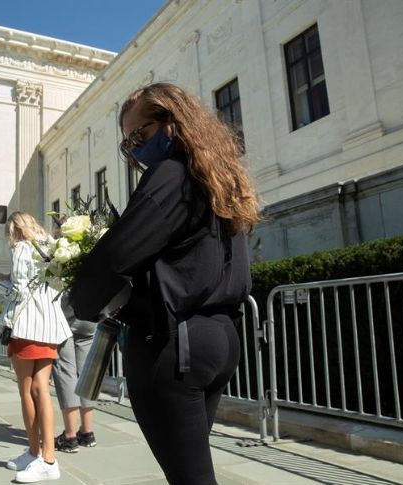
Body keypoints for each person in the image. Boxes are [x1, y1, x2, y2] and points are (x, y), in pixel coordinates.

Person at [69, 83, 259, 485]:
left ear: (172, 123)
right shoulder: (219, 179)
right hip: (219, 340)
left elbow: (118, 253)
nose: (134, 149)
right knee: (190, 470)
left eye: (139, 135)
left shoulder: (171, 174)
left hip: (175, 343)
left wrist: (81, 299)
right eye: (128, 144)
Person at [3, 211, 72, 483]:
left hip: (26, 324)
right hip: (50, 325)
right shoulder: (52, 246)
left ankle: (42, 455)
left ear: (15, 229)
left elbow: (19, 288)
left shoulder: (21, 247)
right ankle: (44, 455)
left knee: (28, 390)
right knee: (40, 388)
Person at [52, 294, 98, 453]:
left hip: (66, 313)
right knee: (86, 373)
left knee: (66, 372)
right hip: (90, 314)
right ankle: (87, 433)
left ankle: (70, 437)